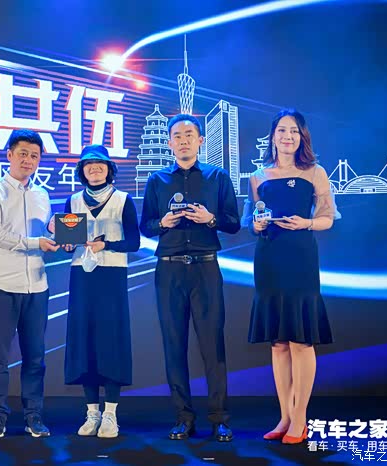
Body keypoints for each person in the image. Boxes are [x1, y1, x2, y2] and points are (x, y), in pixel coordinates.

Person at [140, 113, 240, 442]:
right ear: (170, 143)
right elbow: (145, 226)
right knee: (174, 345)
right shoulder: (157, 180)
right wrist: (162, 223)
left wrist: (211, 219)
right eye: (177, 136)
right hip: (169, 269)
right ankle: (183, 418)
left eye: (189, 135)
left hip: (205, 267)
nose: (183, 141)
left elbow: (233, 222)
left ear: (200, 140)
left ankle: (220, 419)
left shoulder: (217, 176)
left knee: (213, 345)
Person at [243, 109, 335, 445]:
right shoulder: (257, 176)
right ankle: (284, 416)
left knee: (300, 339)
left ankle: (300, 418)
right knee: (279, 342)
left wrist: (305, 223)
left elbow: (327, 218)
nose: (287, 136)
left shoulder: (315, 172)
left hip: (300, 258)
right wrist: (256, 225)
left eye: (294, 131)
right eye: (282, 130)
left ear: (302, 137)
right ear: (273, 136)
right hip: (268, 259)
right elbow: (250, 220)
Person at [0, 129, 59, 438]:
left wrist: (57, 237)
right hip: (1, 285)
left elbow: (45, 236)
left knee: (35, 357)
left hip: (37, 285)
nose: (28, 160)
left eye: (34, 156)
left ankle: (34, 415)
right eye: (23, 153)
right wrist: (36, 242)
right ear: (9, 154)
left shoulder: (42, 194)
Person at [58, 145, 140, 438]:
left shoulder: (122, 200)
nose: (94, 168)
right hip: (82, 275)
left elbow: (134, 242)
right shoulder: (73, 200)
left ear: (109, 169)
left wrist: (107, 244)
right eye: (88, 164)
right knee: (84, 340)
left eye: (100, 164)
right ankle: (92, 412)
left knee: (111, 340)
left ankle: (110, 414)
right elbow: (67, 243)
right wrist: (67, 243)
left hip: (112, 275)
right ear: (82, 170)